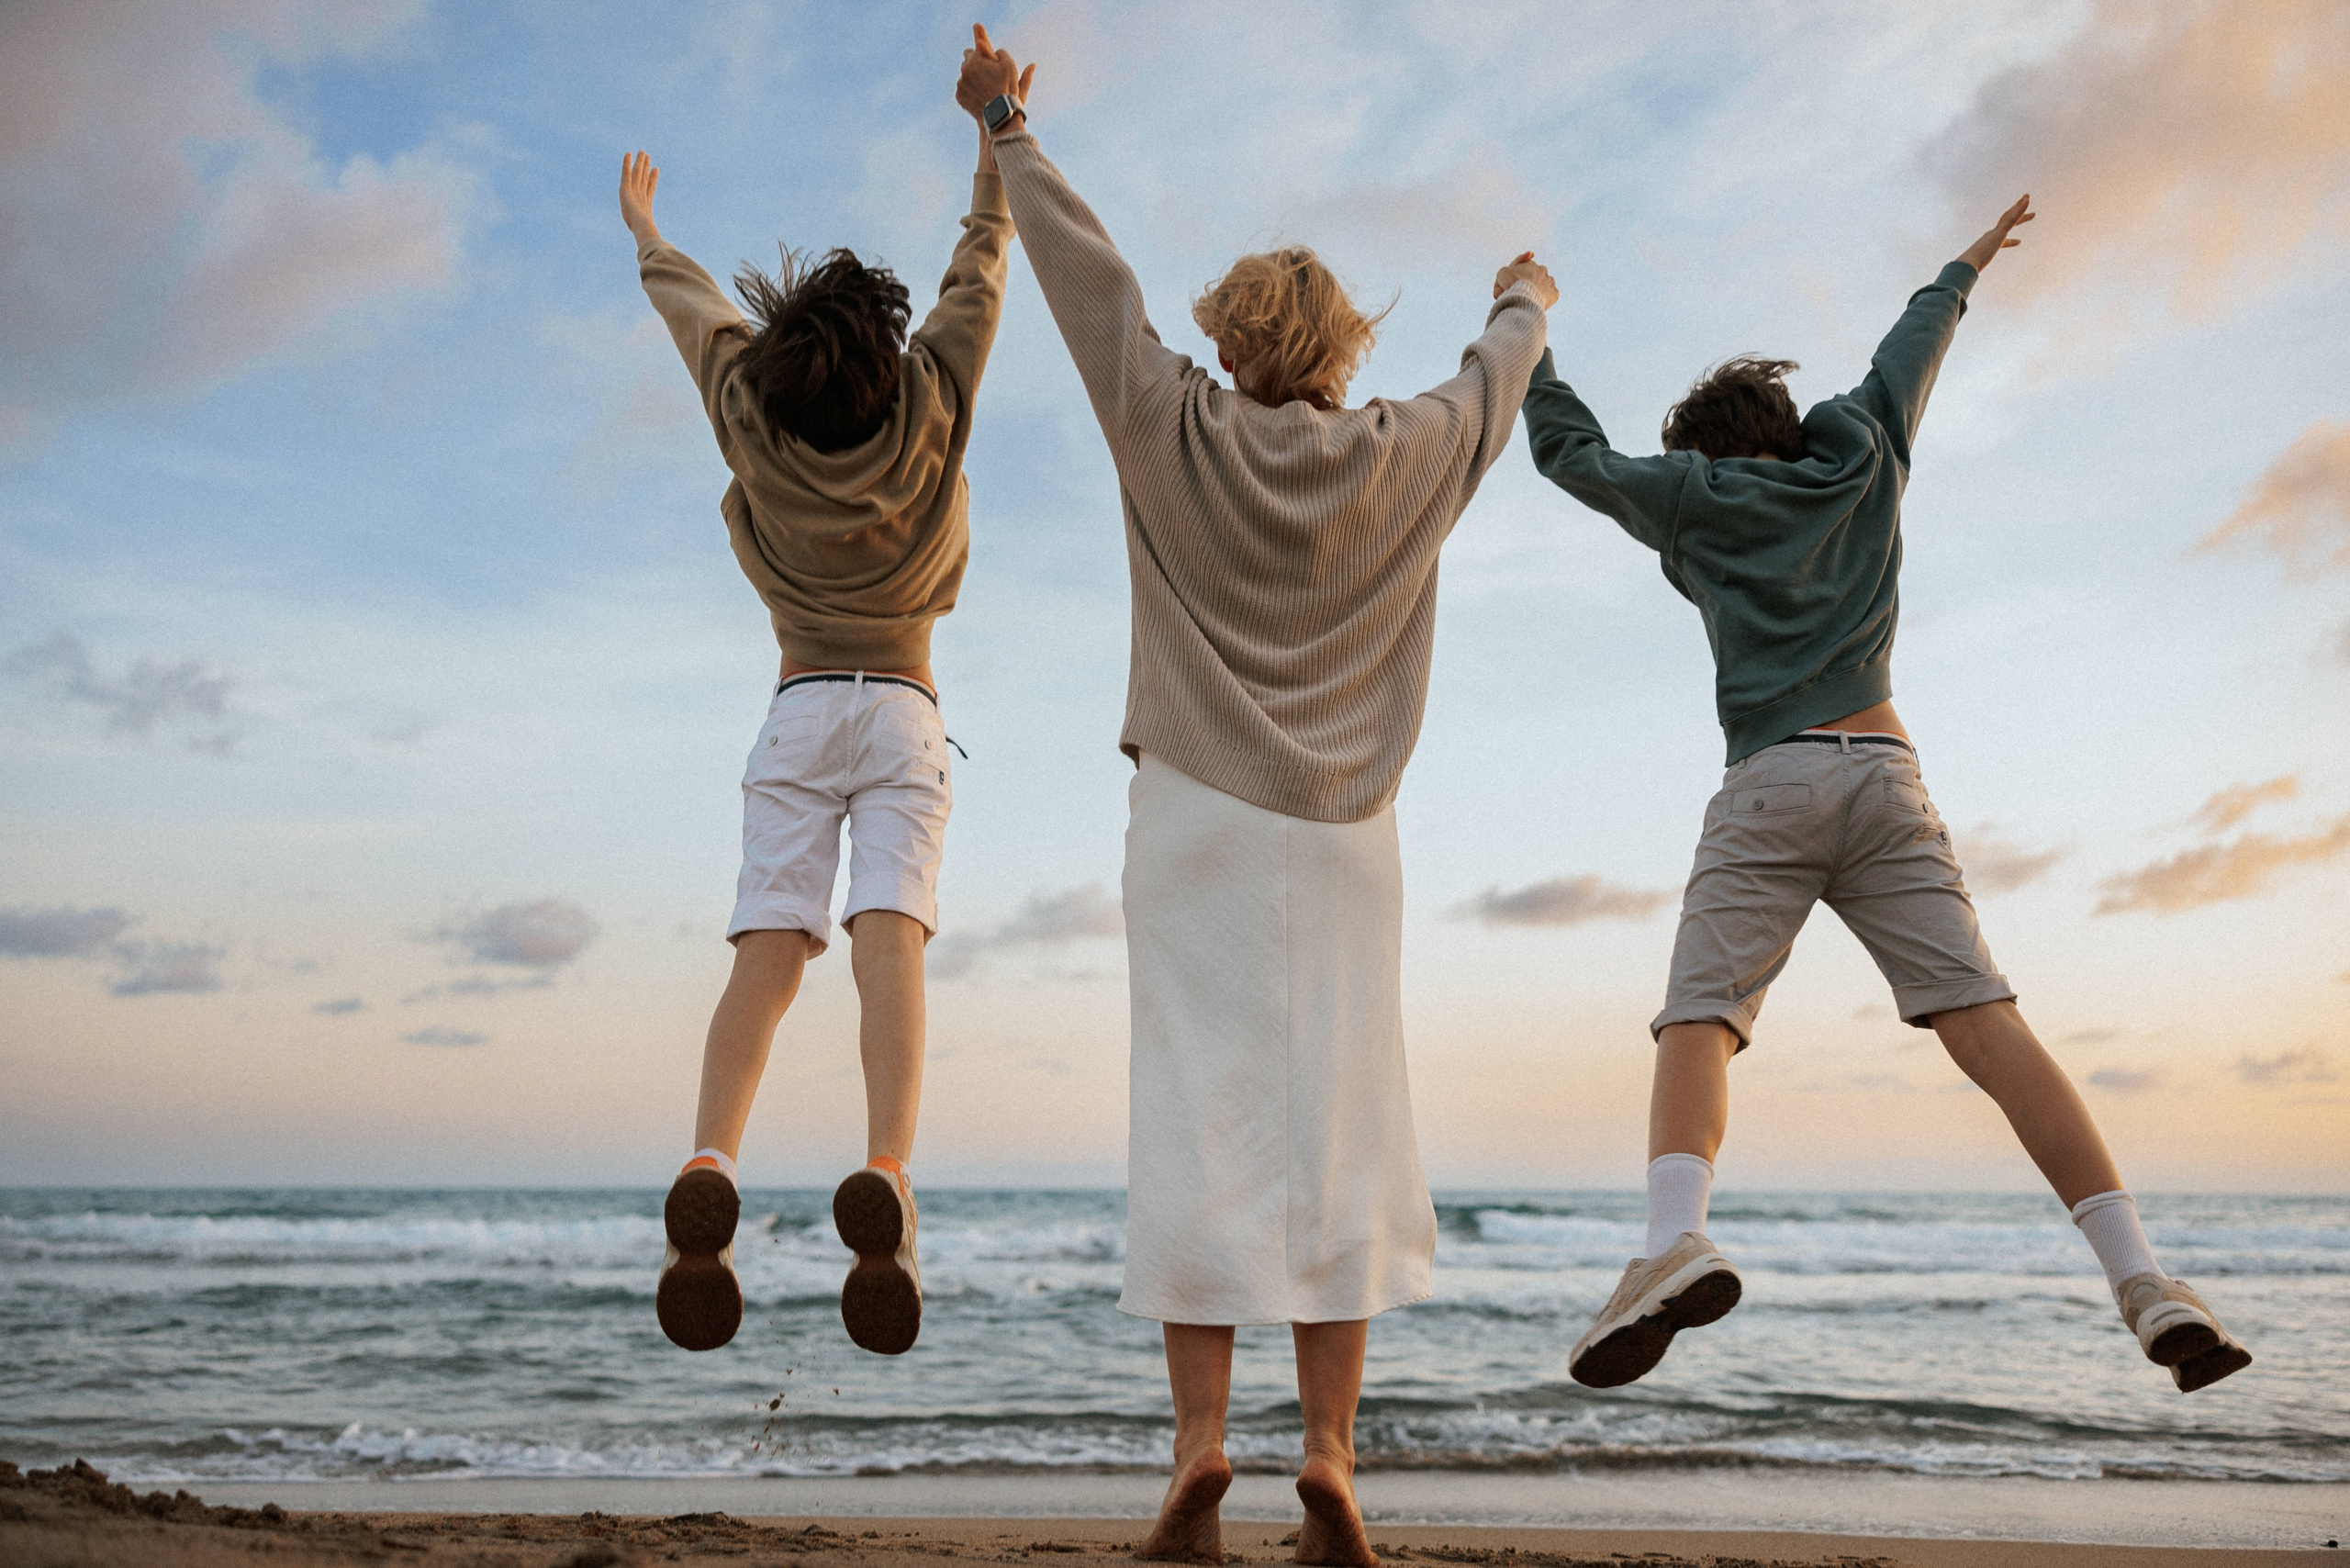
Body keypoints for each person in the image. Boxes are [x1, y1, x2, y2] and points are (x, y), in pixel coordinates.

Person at [955, 25, 1553, 1565]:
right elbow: (1492, 392)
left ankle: (1203, 1450)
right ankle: (1335, 1457)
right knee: (1343, 1133)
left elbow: (1089, 287)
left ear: (1229, 341)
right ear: (1344, 348)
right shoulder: (1405, 454)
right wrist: (1520, 297)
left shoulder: (1171, 426)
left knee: (1199, 1127)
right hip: (1349, 833)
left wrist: (1010, 127)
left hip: (1200, 825)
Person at [1519, 196, 2253, 1395]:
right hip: (1887, 775)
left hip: (1771, 782)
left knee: (1700, 1017)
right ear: (1789, 423)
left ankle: (1669, 1242)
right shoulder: (1862, 448)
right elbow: (1913, 346)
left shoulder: (1695, 501)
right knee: (1986, 1022)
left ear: (1706, 452)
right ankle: (2142, 1276)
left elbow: (1572, 457)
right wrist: (1966, 263)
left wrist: (1531, 338)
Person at [617, 81, 1021, 1356]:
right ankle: (887, 1176)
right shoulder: (931, 406)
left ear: (780, 362)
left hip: (794, 708)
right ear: (889, 360)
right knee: (888, 936)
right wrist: (992, 129)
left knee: (769, 953)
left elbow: (692, 313)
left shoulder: (748, 410)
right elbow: (982, 267)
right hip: (902, 706)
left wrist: (645, 232)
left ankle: (713, 1167)